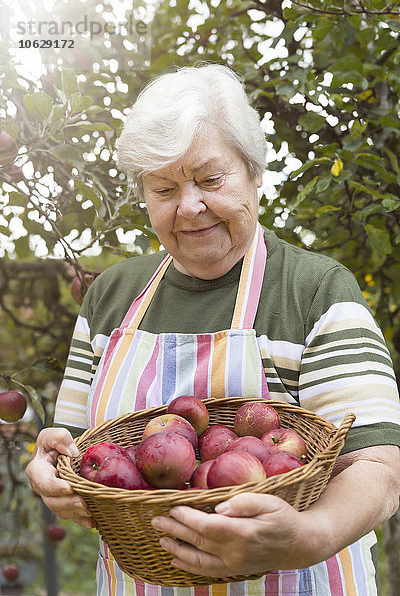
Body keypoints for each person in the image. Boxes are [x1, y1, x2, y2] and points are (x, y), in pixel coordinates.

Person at [26, 63, 400, 596]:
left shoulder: (314, 289)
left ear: (254, 172)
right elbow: (78, 452)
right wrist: (52, 473)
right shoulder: (111, 295)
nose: (189, 206)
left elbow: (379, 467)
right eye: (163, 188)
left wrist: (306, 535)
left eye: (210, 178)